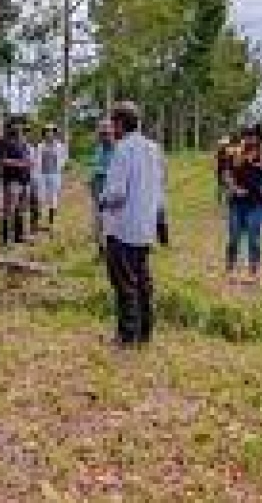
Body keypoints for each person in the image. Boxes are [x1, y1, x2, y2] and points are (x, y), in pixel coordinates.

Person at [100, 101, 165, 347]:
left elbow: (117, 192)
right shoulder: (153, 148)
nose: (110, 128)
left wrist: (102, 201)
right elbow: (159, 188)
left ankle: (127, 337)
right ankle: (144, 334)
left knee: (124, 283)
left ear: (119, 124)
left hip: (122, 226)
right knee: (142, 281)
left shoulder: (123, 150)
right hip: (144, 226)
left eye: (112, 123)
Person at [224, 127, 262, 281]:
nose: (250, 139)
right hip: (236, 202)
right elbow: (226, 174)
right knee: (233, 238)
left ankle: (254, 270)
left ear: (259, 139)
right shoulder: (234, 153)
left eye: (254, 137)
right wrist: (234, 188)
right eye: (247, 136)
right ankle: (230, 267)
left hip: (257, 203)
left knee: (254, 238)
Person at [0, 123, 32, 246]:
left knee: (21, 209)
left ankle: (19, 236)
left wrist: (28, 165)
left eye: (21, 128)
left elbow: (28, 159)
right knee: (9, 209)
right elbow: (3, 160)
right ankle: (6, 239)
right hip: (12, 180)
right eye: (18, 127)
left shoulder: (23, 142)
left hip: (25, 180)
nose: (20, 129)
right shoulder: (3, 142)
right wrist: (21, 163)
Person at [88, 119, 117, 256]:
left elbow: (115, 171)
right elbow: (93, 167)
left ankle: (111, 250)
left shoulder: (119, 149)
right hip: (97, 192)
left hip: (112, 194)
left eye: (106, 133)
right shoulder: (99, 149)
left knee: (111, 223)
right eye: (101, 134)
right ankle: (101, 250)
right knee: (98, 222)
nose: (104, 136)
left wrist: (99, 172)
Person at [34, 125, 68, 232]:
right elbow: (37, 160)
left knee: (53, 199)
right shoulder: (40, 146)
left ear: (55, 133)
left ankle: (51, 223)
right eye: (47, 131)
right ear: (44, 133)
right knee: (40, 198)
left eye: (52, 131)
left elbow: (64, 158)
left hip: (54, 174)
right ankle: (38, 223)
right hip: (42, 175)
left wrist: (60, 167)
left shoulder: (60, 146)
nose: (49, 133)